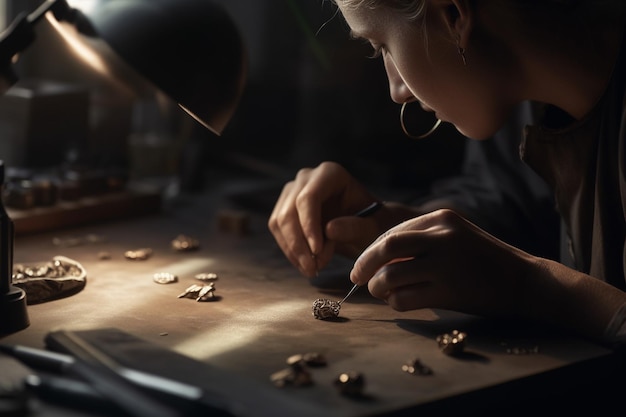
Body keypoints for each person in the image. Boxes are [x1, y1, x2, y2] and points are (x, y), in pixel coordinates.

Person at [268, 0, 626, 347]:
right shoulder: (511, 92)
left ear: (454, 13)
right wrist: (394, 226)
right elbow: (507, 201)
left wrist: (531, 286)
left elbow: (521, 268)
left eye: (383, 45)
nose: (397, 92)